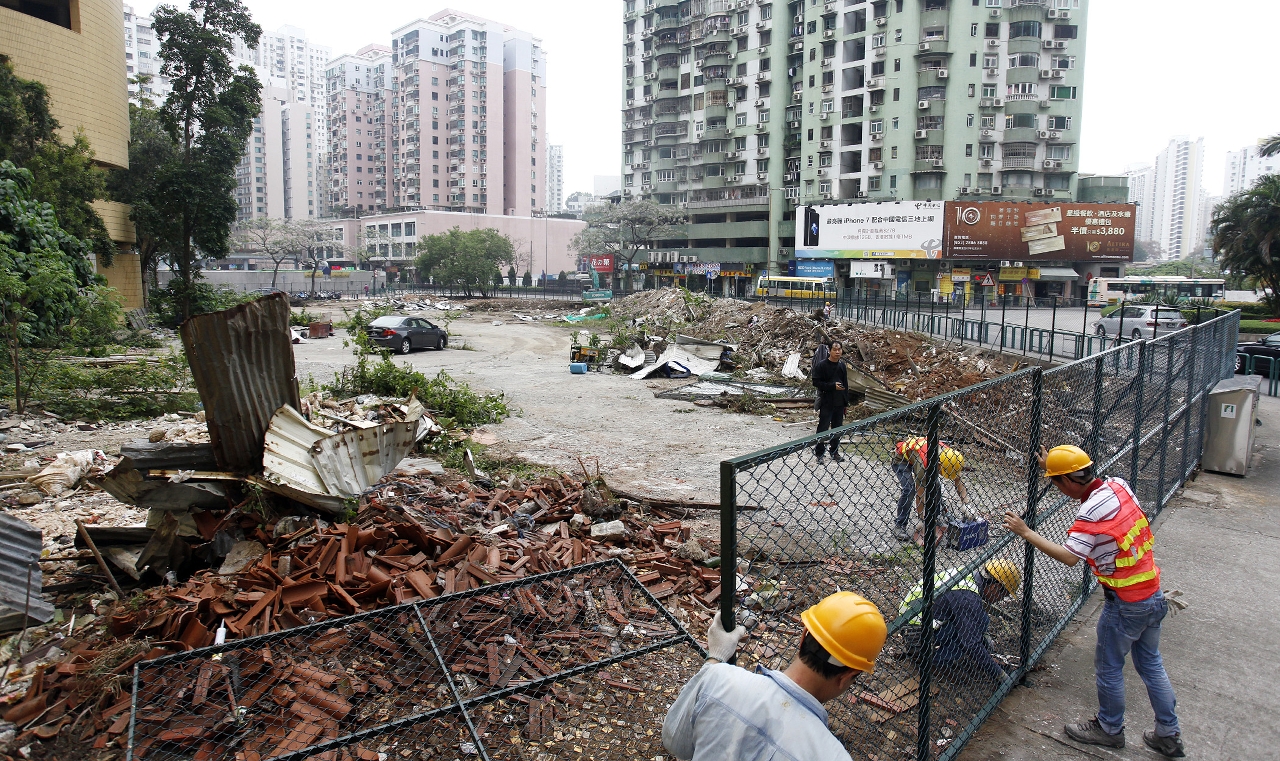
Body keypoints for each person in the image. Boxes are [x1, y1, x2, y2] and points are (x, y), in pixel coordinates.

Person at [1003, 445, 1184, 758]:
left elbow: (1070, 557)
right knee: (1152, 665)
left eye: (1058, 483)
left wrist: (1025, 531)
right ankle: (1168, 734)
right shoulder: (1119, 485)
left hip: (1125, 604)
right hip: (1152, 593)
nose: (1059, 489)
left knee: (1110, 668)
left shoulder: (1090, 512)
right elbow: (1078, 483)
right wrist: (1056, 466)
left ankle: (1110, 729)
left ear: (1070, 482)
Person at [663, 592, 888, 761]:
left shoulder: (718, 681)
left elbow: (674, 741)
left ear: (803, 637)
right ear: (849, 675)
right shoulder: (832, 755)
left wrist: (715, 659)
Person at [898, 559, 1021, 683]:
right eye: (1003, 595)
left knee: (981, 619)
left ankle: (931, 652)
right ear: (996, 587)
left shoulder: (968, 574)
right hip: (915, 628)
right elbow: (971, 644)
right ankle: (931, 661)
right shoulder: (969, 598)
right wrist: (1000, 675)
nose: (1000, 600)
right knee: (966, 642)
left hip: (918, 614)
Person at [891, 437, 970, 544]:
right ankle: (900, 525)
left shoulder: (951, 458)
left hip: (921, 455)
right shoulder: (923, 467)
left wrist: (967, 505)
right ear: (938, 465)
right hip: (902, 460)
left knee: (936, 485)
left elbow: (958, 481)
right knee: (909, 489)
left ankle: (935, 519)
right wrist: (922, 519)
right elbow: (920, 494)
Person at [811, 341, 849, 463]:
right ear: (829, 350)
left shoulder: (842, 366)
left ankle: (835, 452)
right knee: (823, 427)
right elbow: (816, 382)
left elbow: (846, 385)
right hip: (827, 401)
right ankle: (819, 453)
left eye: (839, 349)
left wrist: (845, 402)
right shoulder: (822, 366)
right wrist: (832, 386)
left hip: (839, 402)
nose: (837, 352)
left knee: (837, 428)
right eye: (835, 349)